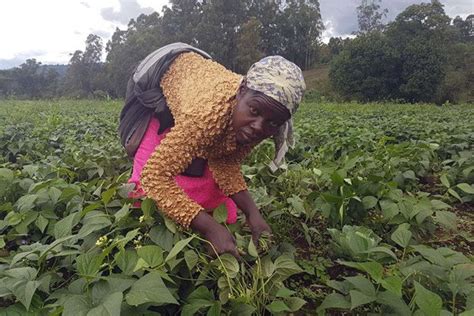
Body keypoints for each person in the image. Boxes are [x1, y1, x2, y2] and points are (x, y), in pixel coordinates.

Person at [119, 42, 305, 258]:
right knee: (144, 194)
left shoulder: (262, 119)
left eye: (272, 123)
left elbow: (225, 163)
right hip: (165, 78)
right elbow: (154, 177)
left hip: (203, 93)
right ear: (241, 91)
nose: (258, 127)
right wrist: (209, 227)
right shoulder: (202, 116)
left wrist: (252, 213)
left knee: (210, 189)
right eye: (254, 111)